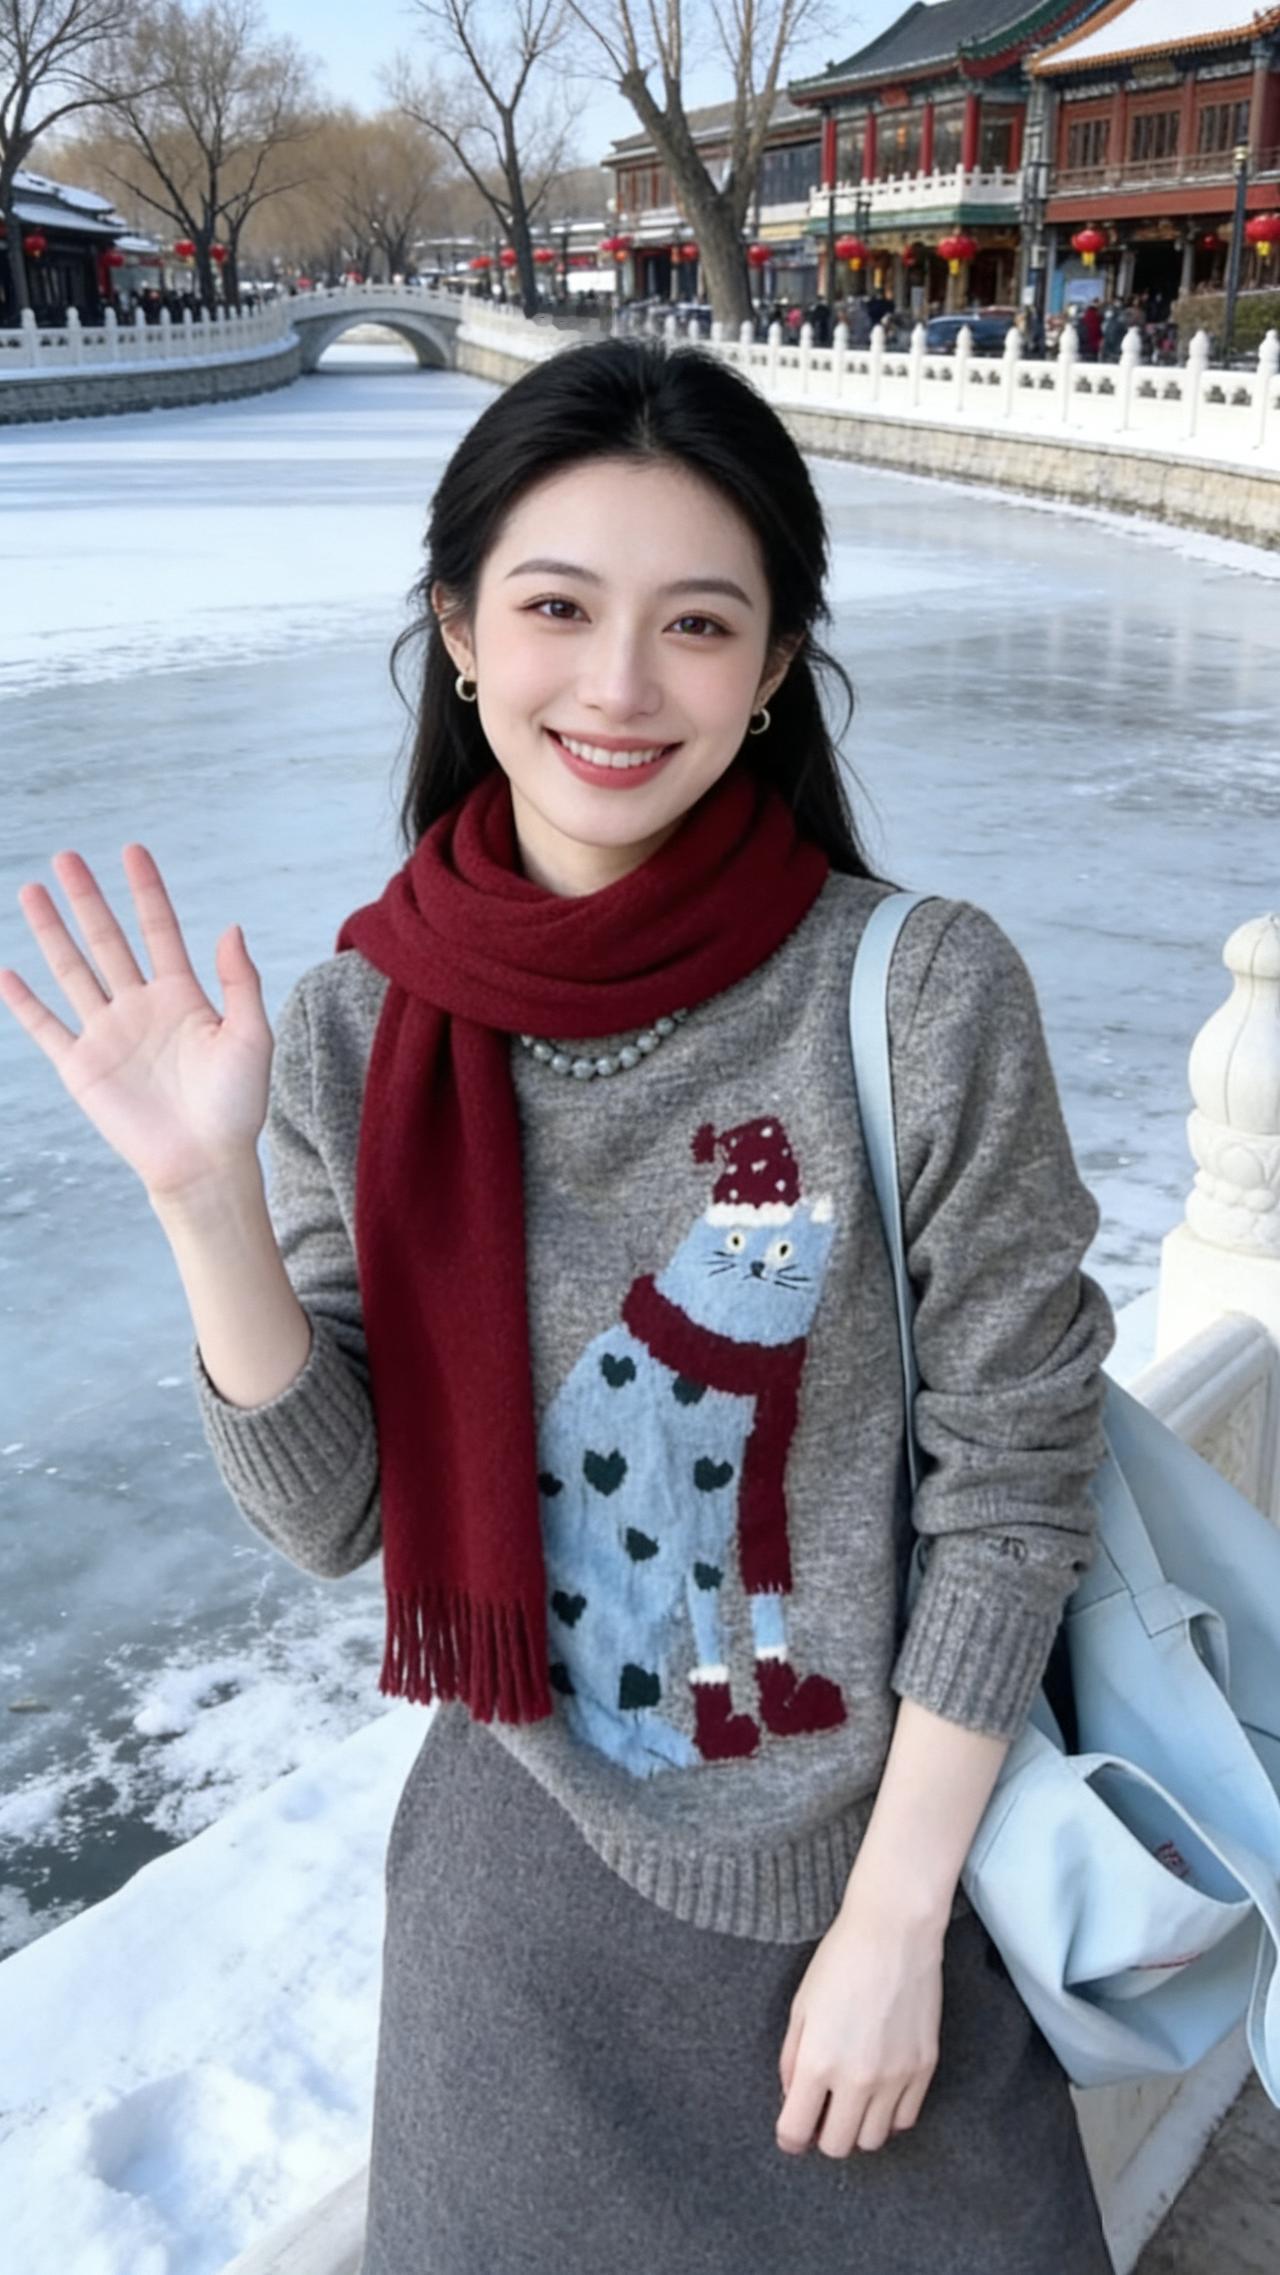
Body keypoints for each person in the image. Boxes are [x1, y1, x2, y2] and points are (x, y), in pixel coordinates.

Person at [0, 337, 1117, 2275]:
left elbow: (1014, 1486)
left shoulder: (919, 994)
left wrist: (893, 1923)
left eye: (697, 622)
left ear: (774, 663)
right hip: (524, 1929)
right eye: (556, 607)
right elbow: (338, 1514)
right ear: (457, 629)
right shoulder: (357, 1027)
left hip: (885, 1902)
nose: (617, 686)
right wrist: (201, 1199)